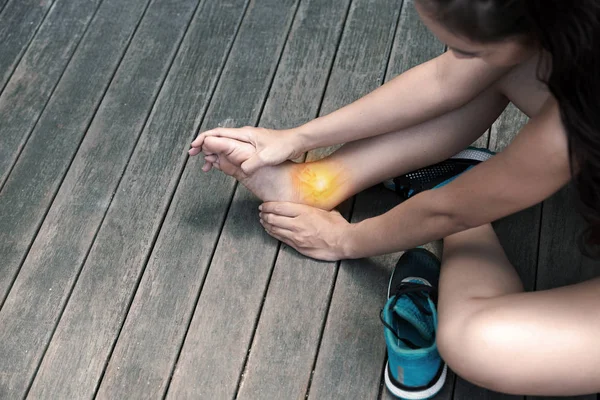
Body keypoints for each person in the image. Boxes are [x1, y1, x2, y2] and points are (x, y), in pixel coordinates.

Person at [189, 0, 600, 398]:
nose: (458, 59)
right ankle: (323, 179)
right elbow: (447, 81)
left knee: (477, 341)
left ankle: (476, 210)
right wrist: (299, 137)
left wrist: (345, 240)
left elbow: (448, 211)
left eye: (463, 49)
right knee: (508, 66)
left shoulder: (568, 127)